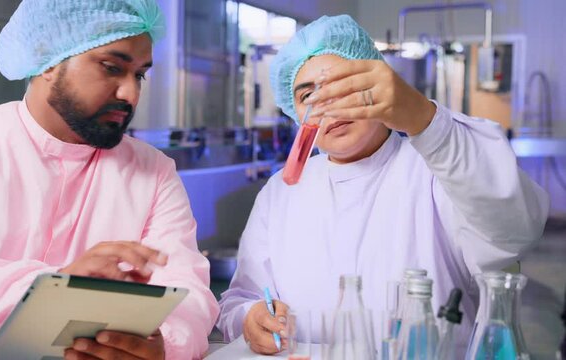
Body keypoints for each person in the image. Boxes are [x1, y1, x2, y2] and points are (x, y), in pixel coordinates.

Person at [0, 0, 218, 359]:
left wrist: (163, 345)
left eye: (139, 74)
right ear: (49, 58)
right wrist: (56, 289)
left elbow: (187, 289)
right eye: (111, 68)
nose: (131, 94)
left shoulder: (154, 172)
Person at [217, 14, 549, 355]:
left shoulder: (436, 167)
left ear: (379, 86)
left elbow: (515, 229)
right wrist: (250, 317)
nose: (328, 104)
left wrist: (424, 119)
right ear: (295, 113)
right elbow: (241, 299)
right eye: (308, 96)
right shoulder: (281, 192)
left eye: (342, 86)